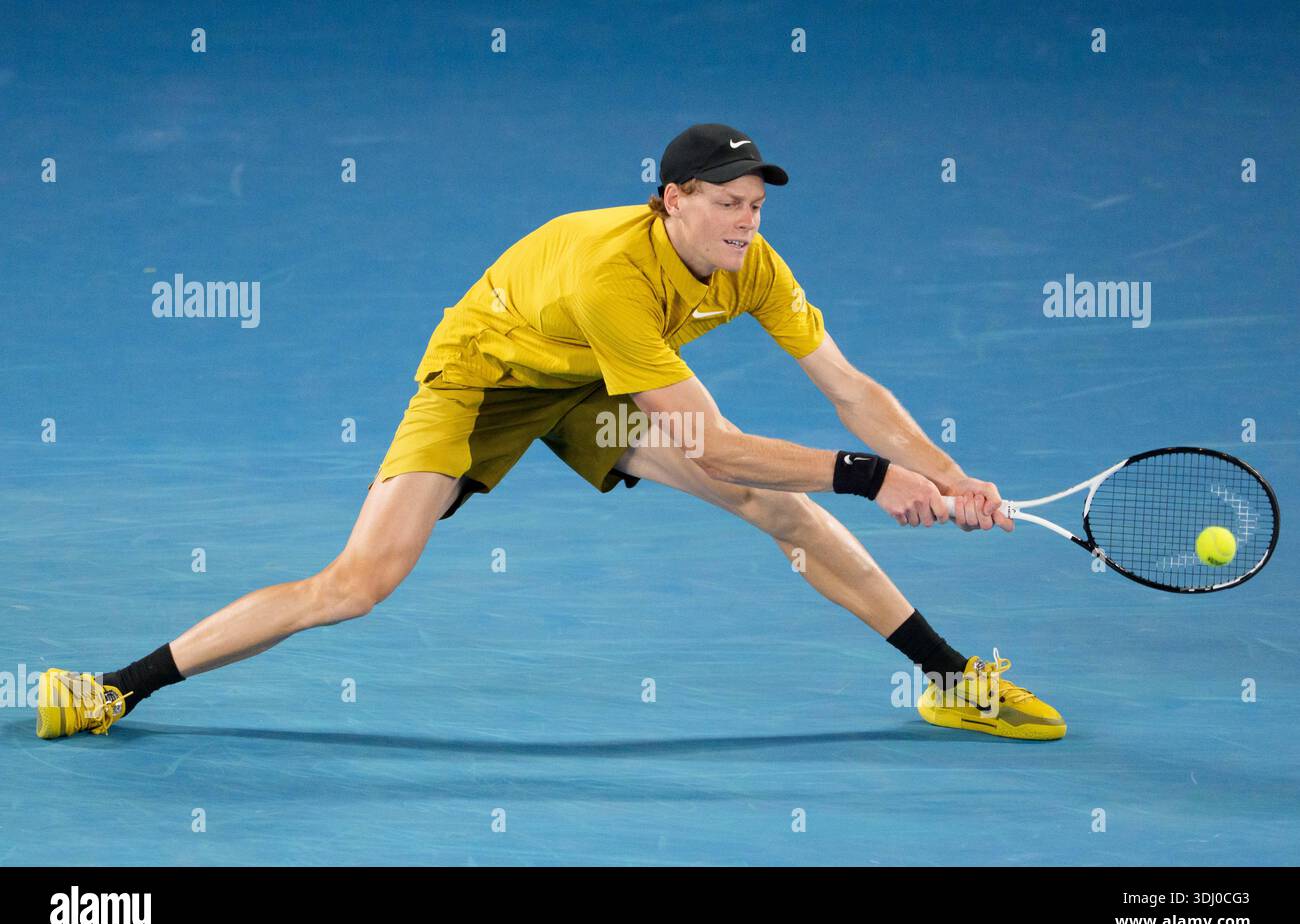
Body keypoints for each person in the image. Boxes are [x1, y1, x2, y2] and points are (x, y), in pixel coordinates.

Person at [36, 124, 1064, 742]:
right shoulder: (612, 275)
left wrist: (950, 472)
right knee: (357, 583)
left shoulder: (753, 265)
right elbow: (712, 440)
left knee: (772, 502)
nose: (746, 223)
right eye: (725, 204)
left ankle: (950, 678)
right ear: (672, 202)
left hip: (586, 386)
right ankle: (111, 689)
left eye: (755, 205)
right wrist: (874, 477)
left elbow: (848, 385)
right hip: (485, 378)